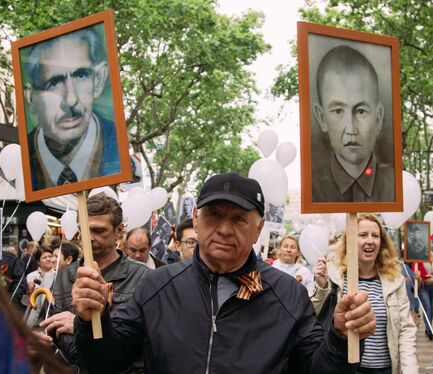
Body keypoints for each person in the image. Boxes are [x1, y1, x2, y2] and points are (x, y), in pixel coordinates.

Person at [71, 172, 375, 373]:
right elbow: (106, 360)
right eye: (214, 215)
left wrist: (341, 337)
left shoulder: (289, 296)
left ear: (257, 230)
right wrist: (90, 321)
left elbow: (316, 369)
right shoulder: (157, 285)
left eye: (239, 219)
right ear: (196, 219)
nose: (225, 229)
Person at [38, 193, 150, 373]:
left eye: (98, 231)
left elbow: (135, 339)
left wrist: (78, 324)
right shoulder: (65, 275)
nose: (89, 238)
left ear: (119, 231)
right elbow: (50, 324)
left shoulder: (142, 276)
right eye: (83, 230)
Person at [311, 213, 418, 373]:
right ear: (349, 241)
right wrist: (321, 286)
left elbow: (405, 331)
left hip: (384, 369)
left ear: (381, 242)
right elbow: (312, 315)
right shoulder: (333, 276)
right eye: (363, 235)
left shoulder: (395, 281)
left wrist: (410, 371)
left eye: (375, 235)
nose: (370, 240)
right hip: (344, 368)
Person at [23, 27, 120, 190]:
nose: (71, 100)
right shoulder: (22, 161)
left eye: (81, 75)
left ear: (98, 80)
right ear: (32, 99)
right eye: (53, 83)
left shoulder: (117, 147)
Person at [312, 45, 394, 203]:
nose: (351, 129)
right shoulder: (314, 189)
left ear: (378, 119)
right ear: (322, 118)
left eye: (361, 111)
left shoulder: (394, 187)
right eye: (338, 111)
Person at [417, 256, 433, 340]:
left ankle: (429, 328)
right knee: (427, 308)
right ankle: (429, 330)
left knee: (432, 309)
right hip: (423, 287)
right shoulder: (418, 258)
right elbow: (414, 272)